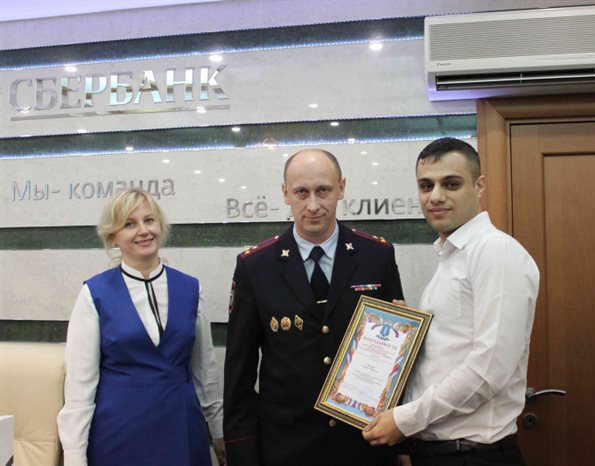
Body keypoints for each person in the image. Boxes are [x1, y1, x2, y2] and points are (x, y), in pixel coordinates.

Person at [362, 137, 540, 466]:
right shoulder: (452, 256)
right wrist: (408, 334)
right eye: (426, 185)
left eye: (451, 184)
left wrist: (404, 421)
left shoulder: (495, 252)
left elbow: (488, 371)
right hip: (440, 452)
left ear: (479, 186)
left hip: (474, 455)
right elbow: (451, 351)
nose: (436, 196)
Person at [223, 148, 404, 466]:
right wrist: (243, 456)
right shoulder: (256, 267)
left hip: (364, 446)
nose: (313, 205)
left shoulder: (377, 256)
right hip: (286, 450)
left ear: (341, 188)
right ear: (285, 193)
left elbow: (397, 362)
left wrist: (403, 444)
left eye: (323, 191)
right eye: (301, 192)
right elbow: (239, 378)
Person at [57, 188, 226, 466]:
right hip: (117, 434)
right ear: (113, 237)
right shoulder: (95, 294)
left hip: (181, 428)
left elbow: (205, 369)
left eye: (149, 220)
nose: (143, 231)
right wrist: (75, 457)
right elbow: (79, 386)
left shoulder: (190, 289)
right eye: (129, 224)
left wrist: (219, 431)